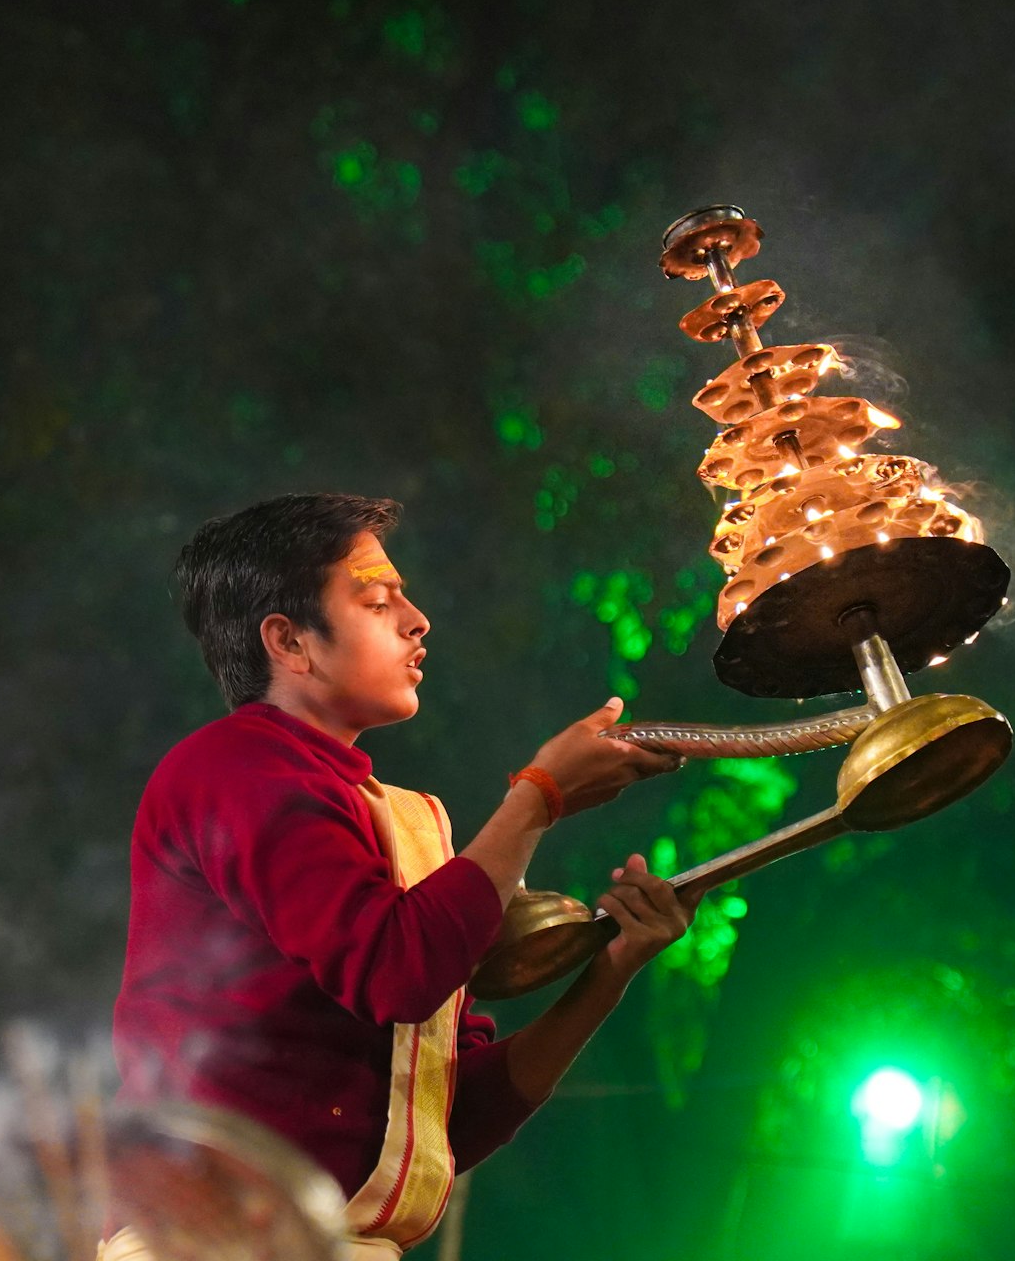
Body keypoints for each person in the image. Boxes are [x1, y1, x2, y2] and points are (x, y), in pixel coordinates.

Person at [107, 493, 694, 1259]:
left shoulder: (397, 819)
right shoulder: (232, 768)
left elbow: (443, 1125)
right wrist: (538, 799)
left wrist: (609, 973)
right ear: (289, 642)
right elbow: (395, 970)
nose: (418, 621)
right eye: (379, 601)